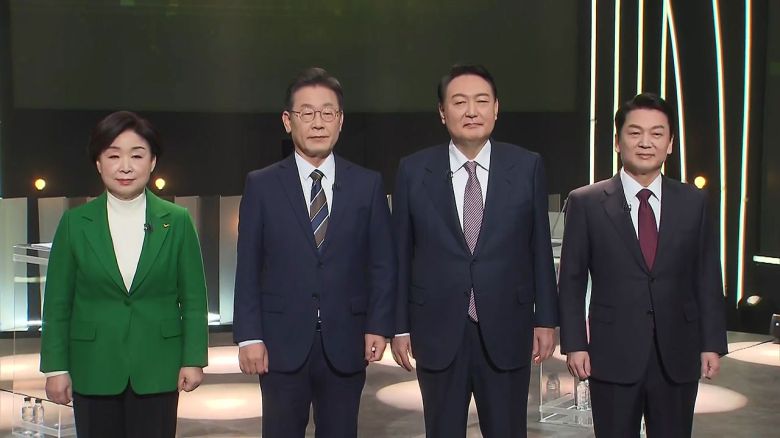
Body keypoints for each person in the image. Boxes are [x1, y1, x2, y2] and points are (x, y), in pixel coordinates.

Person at [391, 64, 558, 438]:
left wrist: (546, 319)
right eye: (459, 102)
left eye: (481, 101)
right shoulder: (413, 170)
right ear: (442, 112)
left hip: (507, 325)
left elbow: (539, 249)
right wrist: (399, 326)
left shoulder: (526, 166)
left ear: (496, 108)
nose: (471, 111)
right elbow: (400, 254)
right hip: (437, 329)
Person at [232, 67, 396, 438]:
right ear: (287, 121)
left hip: (347, 339)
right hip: (280, 343)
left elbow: (382, 263)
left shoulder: (367, 184)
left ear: (340, 120)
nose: (318, 123)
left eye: (327, 113)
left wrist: (378, 325)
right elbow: (249, 266)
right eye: (307, 113)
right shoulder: (262, 185)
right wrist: (249, 336)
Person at [558, 92, 727, 437]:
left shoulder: (693, 202)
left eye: (657, 133)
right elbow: (571, 281)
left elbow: (707, 277)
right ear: (618, 142)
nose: (646, 143)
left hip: (677, 352)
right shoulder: (586, 202)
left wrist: (712, 342)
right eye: (635, 133)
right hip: (611, 352)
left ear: (670, 143)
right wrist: (575, 343)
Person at [39, 111, 209, 438]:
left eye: (137, 155)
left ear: (153, 162)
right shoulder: (75, 224)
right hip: (93, 365)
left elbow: (193, 299)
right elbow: (58, 302)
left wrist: (193, 358)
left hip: (158, 366)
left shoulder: (177, 221)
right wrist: (56, 367)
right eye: (114, 156)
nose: (125, 166)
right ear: (99, 163)